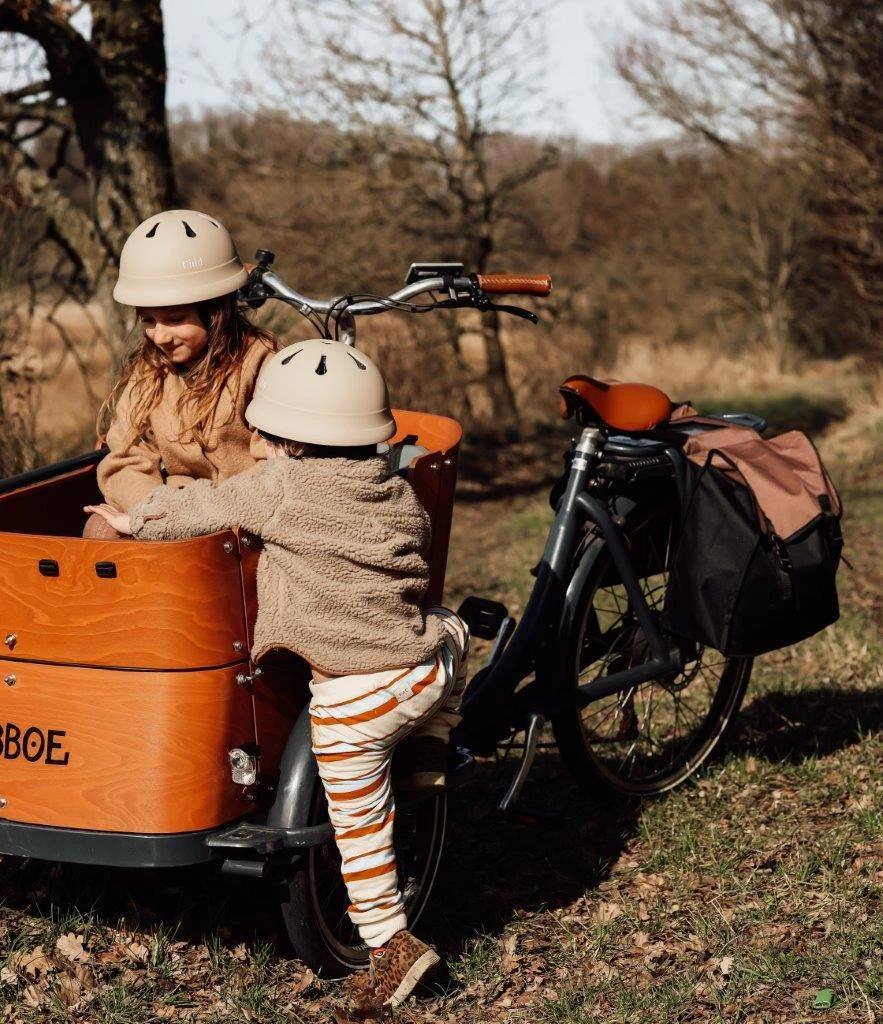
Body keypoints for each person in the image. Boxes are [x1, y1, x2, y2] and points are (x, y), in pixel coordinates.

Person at [85, 339, 469, 1011]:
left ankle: (390, 946)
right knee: (454, 628)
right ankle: (432, 740)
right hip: (421, 668)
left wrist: (131, 518)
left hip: (353, 700)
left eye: (262, 433)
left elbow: (198, 509)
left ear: (290, 444)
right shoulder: (396, 491)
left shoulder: (280, 488)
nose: (254, 443)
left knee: (360, 827)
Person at [84, 209, 276, 538]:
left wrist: (194, 515)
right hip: (165, 512)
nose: (159, 336)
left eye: (175, 319)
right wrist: (158, 514)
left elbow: (272, 470)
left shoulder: (263, 365)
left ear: (216, 311)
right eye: (148, 320)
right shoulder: (149, 373)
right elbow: (126, 459)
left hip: (240, 521)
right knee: (100, 528)